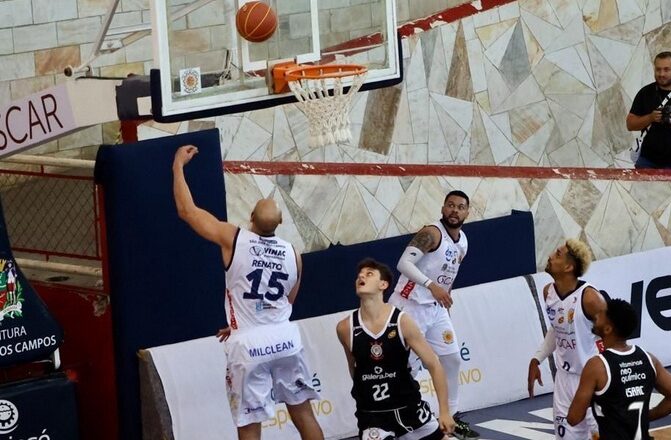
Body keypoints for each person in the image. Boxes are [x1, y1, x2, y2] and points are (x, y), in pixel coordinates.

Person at [172, 145, 323, 440]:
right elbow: (286, 302)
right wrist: (248, 321)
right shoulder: (294, 254)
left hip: (249, 346)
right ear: (280, 224)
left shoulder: (234, 237)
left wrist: (177, 166)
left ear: (250, 217)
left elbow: (186, 211)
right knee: (303, 414)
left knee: (249, 425)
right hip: (285, 338)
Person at [388, 190, 478, 439]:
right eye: (450, 205)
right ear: (443, 208)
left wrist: (443, 293)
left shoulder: (463, 242)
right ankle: (399, 420)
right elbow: (403, 264)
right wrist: (432, 286)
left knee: (452, 358)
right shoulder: (431, 233)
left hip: (435, 309)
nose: (454, 211)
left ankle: (451, 415)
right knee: (404, 368)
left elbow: (446, 272)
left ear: (467, 212)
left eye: (460, 207)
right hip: (409, 305)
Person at [336, 258, 456, 439]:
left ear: (383, 284)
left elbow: (434, 365)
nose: (361, 276)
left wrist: (445, 412)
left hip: (409, 407)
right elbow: (354, 369)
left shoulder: (402, 321)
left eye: (369, 274)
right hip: (373, 415)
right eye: (359, 275)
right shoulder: (345, 328)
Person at [567, 299, 671, 439]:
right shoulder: (648, 359)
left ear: (608, 329)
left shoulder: (597, 366)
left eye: (600, 315)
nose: (595, 316)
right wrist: (645, 416)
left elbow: (573, 418)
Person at [527, 239, 607, 440]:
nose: (551, 256)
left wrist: (608, 376)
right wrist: (537, 359)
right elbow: (558, 329)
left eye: (558, 254)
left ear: (569, 267)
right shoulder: (549, 292)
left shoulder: (591, 299)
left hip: (591, 380)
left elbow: (612, 338)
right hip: (564, 380)